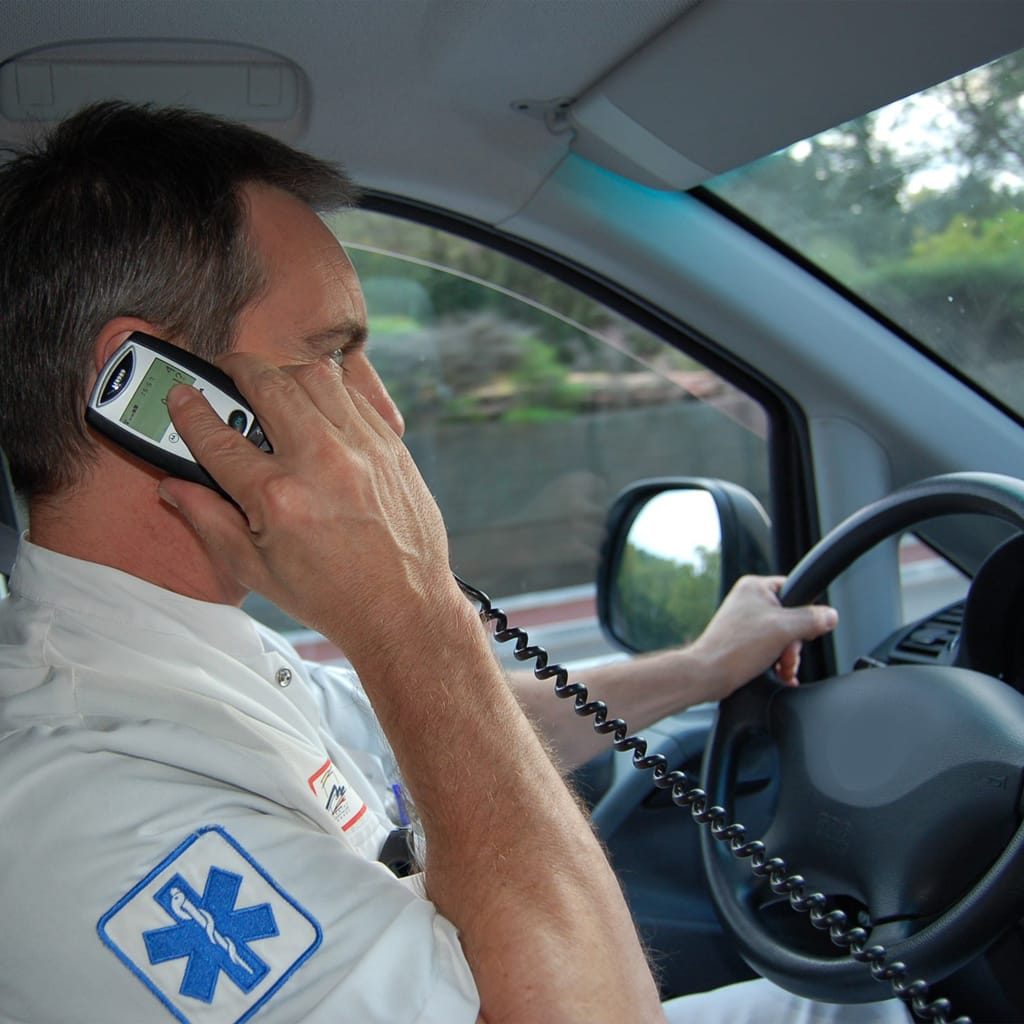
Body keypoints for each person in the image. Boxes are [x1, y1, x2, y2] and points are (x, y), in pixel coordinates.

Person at [0, 102, 906, 1024]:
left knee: (855, 1010)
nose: (385, 417)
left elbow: (445, 729)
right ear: (157, 397)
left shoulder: (185, 647)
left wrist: (699, 669)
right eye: (330, 357)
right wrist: (409, 607)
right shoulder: (87, 809)